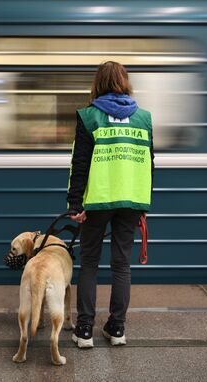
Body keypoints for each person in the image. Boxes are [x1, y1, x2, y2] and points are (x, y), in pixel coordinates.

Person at [67, 61, 154, 348]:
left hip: (98, 200)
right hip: (130, 200)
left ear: (98, 84)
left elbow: (79, 164)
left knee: (89, 262)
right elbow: (149, 164)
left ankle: (84, 331)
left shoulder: (89, 117)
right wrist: (143, 202)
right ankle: (117, 329)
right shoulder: (143, 118)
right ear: (125, 83)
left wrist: (75, 203)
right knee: (121, 265)